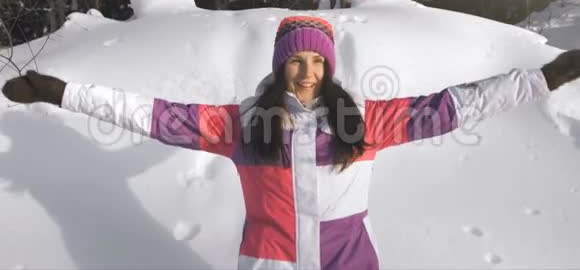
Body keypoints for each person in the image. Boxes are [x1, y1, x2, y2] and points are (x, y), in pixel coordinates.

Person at [2, 15, 580, 270]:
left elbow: (458, 105)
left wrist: (544, 76)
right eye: (296, 61)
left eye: (316, 62)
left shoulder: (364, 124)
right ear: (281, 66)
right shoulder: (243, 126)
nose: (306, 72)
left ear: (329, 68)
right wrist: (61, 92)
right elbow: (150, 114)